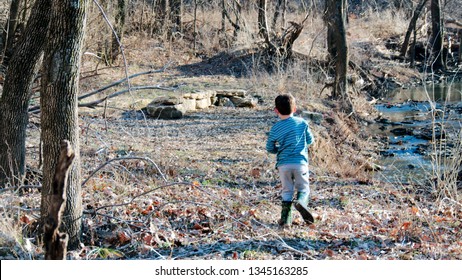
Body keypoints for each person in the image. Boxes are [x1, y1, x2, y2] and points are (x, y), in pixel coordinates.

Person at [266, 93, 314, 227]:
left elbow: (269, 147)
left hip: (283, 165)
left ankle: (286, 220)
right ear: (295, 109)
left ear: (276, 110)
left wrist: (278, 151)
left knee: (287, 190)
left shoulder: (276, 128)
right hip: (300, 163)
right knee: (304, 188)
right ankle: (301, 202)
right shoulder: (302, 123)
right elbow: (310, 140)